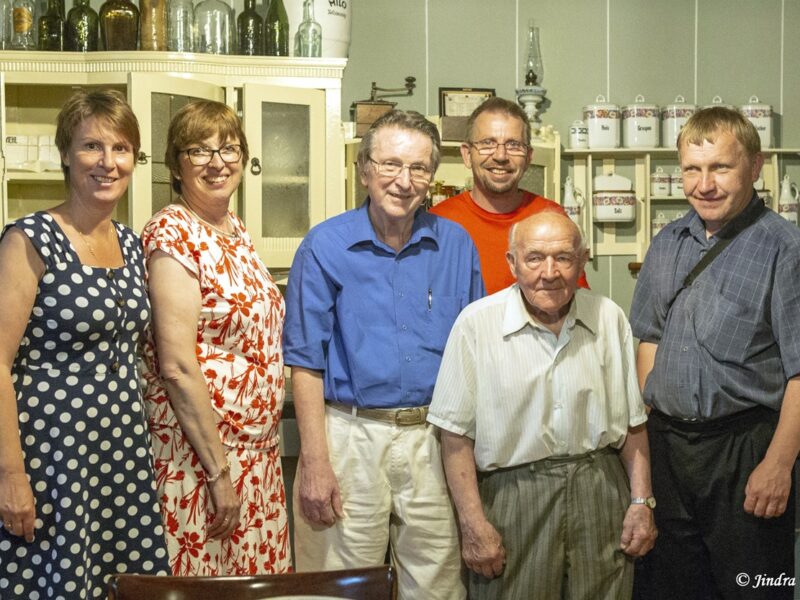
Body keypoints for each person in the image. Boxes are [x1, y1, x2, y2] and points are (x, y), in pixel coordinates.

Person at [283, 110, 484, 600]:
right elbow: (304, 361)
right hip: (349, 437)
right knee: (338, 589)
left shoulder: (456, 245)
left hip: (434, 440)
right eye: (390, 164)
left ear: (432, 179)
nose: (403, 180)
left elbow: (476, 358)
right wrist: (314, 461)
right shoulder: (325, 245)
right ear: (364, 169)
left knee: (438, 587)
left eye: (418, 168)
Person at [429, 212, 657, 600]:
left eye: (563, 258)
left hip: (599, 488)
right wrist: (473, 524)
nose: (549, 272)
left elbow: (633, 425)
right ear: (512, 263)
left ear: (582, 261)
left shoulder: (609, 317)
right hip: (514, 495)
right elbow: (454, 437)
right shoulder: (476, 324)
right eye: (534, 258)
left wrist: (641, 502)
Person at [0, 89, 170, 598]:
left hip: (121, 449)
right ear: (66, 155)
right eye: (91, 147)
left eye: (120, 149)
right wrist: (11, 474)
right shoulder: (30, 239)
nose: (107, 162)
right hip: (49, 453)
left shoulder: (133, 244)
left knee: (118, 585)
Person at [630, 106, 799, 600]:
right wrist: (653, 407)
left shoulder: (784, 249)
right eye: (692, 169)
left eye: (720, 168)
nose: (704, 184)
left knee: (755, 587)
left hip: (745, 450)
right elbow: (650, 337)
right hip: (671, 451)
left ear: (755, 166)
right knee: (673, 587)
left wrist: (779, 464)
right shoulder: (667, 242)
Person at [141, 100, 290, 576]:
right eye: (200, 150)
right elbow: (178, 367)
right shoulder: (172, 232)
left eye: (229, 148)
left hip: (257, 459)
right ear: (175, 165)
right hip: (200, 463)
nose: (218, 162)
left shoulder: (235, 231)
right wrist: (218, 473)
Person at [430, 96, 589, 294]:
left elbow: (577, 300)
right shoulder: (437, 223)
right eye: (487, 143)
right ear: (467, 154)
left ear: (529, 157)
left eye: (514, 145)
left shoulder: (552, 218)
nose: (501, 156)